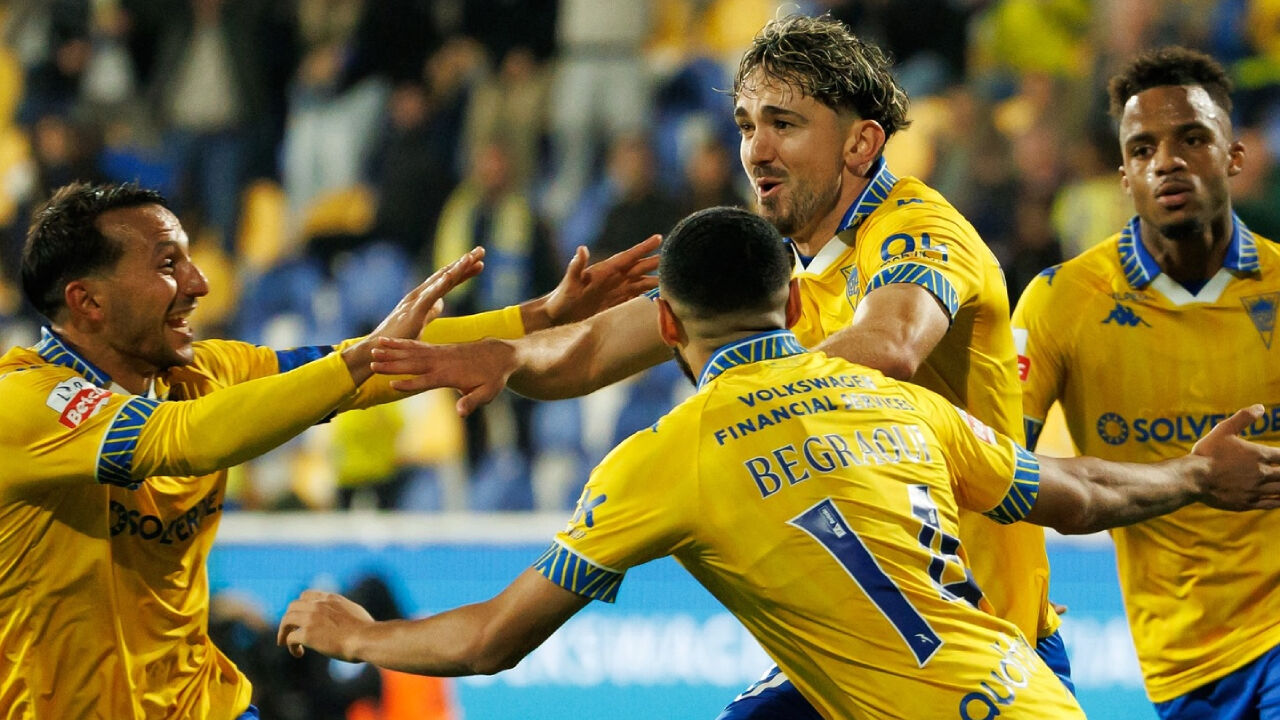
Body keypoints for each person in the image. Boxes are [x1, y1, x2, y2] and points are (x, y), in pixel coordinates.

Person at [279, 206, 1280, 720]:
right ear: (798, 307)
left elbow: (493, 640)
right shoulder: (895, 401)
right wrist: (1194, 477)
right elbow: (1070, 493)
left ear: (664, 323)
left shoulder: (659, 460)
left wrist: (356, 635)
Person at [367, 14, 1068, 714]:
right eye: (744, 125)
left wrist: (738, 423)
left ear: (862, 142)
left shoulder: (918, 227)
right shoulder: (768, 257)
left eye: (784, 124)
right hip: (861, 650)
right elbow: (588, 351)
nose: (756, 151)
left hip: (988, 640)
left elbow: (892, 344)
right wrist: (507, 355)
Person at [0, 181, 658, 719]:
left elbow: (360, 364)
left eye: (191, 258)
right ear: (86, 302)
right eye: (168, 264)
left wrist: (540, 315)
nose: (200, 283)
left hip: (203, 705)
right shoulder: (24, 405)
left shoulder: (203, 371)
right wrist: (359, 362)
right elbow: (187, 441)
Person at [1012, 47, 1280, 720]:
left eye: (1193, 138)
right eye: (1143, 148)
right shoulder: (1059, 303)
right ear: (1126, 175)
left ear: (1235, 156)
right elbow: (994, 470)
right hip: (1181, 665)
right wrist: (1190, 476)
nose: (1168, 161)